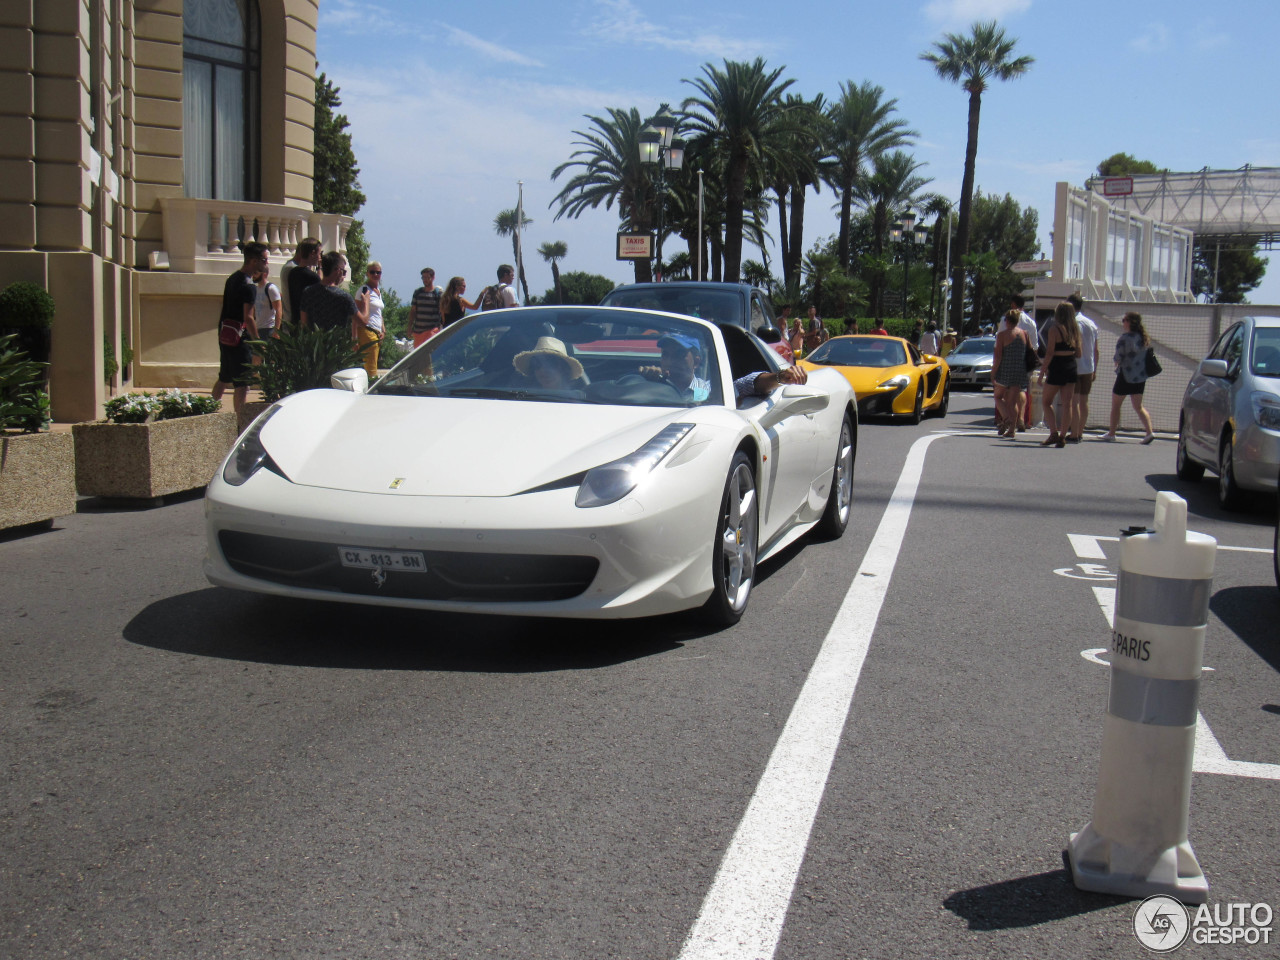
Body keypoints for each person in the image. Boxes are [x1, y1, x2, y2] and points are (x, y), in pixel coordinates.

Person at [211, 242, 265, 414]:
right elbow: (248, 317)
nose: (266, 263)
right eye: (264, 259)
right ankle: (239, 422)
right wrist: (257, 342)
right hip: (240, 340)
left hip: (226, 334)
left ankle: (208, 411)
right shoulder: (249, 286)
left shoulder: (232, 279)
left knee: (224, 377)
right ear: (253, 261)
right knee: (242, 384)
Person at [1103, 312, 1156, 443]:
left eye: (1124, 320)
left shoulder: (1124, 338)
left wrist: (1117, 361)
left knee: (1116, 404)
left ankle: (1112, 433)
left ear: (1130, 322)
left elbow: (1118, 357)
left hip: (1125, 375)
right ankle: (1149, 432)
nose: (1123, 322)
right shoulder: (1143, 338)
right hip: (1140, 377)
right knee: (1138, 406)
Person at [1038, 301, 1081, 448]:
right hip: (1070, 365)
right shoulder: (1075, 330)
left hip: (1057, 365)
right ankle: (1063, 436)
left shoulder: (1054, 329)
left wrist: (1042, 372)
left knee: (1046, 401)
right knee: (1067, 403)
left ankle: (1053, 433)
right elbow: (1079, 353)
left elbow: (1049, 353)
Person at [991, 309, 1031, 438]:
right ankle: (1012, 429)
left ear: (1007, 320)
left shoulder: (1002, 335)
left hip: (1006, 369)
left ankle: (1007, 418)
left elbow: (998, 356)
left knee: (998, 396)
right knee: (1012, 401)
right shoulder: (1024, 333)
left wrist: (993, 372)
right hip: (1020, 370)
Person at [1066, 293, 1099, 443]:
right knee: (1084, 401)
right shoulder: (1091, 323)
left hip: (1076, 366)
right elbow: (1096, 349)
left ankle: (1074, 433)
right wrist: (1095, 369)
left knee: (1075, 401)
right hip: (1089, 366)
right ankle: (1080, 431)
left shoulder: (1074, 323)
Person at [298, 251, 357, 333]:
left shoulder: (308, 292)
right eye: (343, 272)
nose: (343, 275)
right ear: (338, 270)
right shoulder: (344, 297)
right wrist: (366, 303)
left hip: (314, 343)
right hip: (335, 344)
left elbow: (303, 324)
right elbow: (362, 322)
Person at [279, 237, 321, 331]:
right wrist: (320, 269)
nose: (319, 258)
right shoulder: (312, 277)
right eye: (319, 253)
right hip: (307, 325)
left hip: (294, 321)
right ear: (313, 253)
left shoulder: (293, 273)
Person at [512, 336, 584, 390]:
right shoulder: (522, 398)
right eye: (537, 364)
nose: (543, 370)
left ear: (563, 368)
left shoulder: (577, 403)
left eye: (551, 364)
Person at [354, 261, 385, 379]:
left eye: (378, 272)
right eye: (372, 272)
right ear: (367, 273)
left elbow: (378, 312)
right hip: (367, 330)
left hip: (376, 332)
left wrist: (383, 329)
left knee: (373, 364)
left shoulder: (377, 291)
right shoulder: (364, 290)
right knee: (371, 368)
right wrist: (354, 338)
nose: (375, 275)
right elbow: (355, 313)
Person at [408, 267, 444, 348]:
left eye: (427, 277)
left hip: (432, 330)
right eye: (423, 277)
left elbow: (442, 311)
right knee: (419, 356)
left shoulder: (438, 293)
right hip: (418, 331)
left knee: (430, 353)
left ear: (433, 278)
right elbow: (413, 310)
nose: (425, 280)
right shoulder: (417, 292)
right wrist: (409, 327)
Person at [251, 262, 281, 345]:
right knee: (256, 356)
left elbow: (278, 309)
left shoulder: (271, 288)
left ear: (264, 274)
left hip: (269, 328)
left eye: (256, 273)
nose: (253, 275)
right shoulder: (256, 289)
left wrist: (277, 330)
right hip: (258, 328)